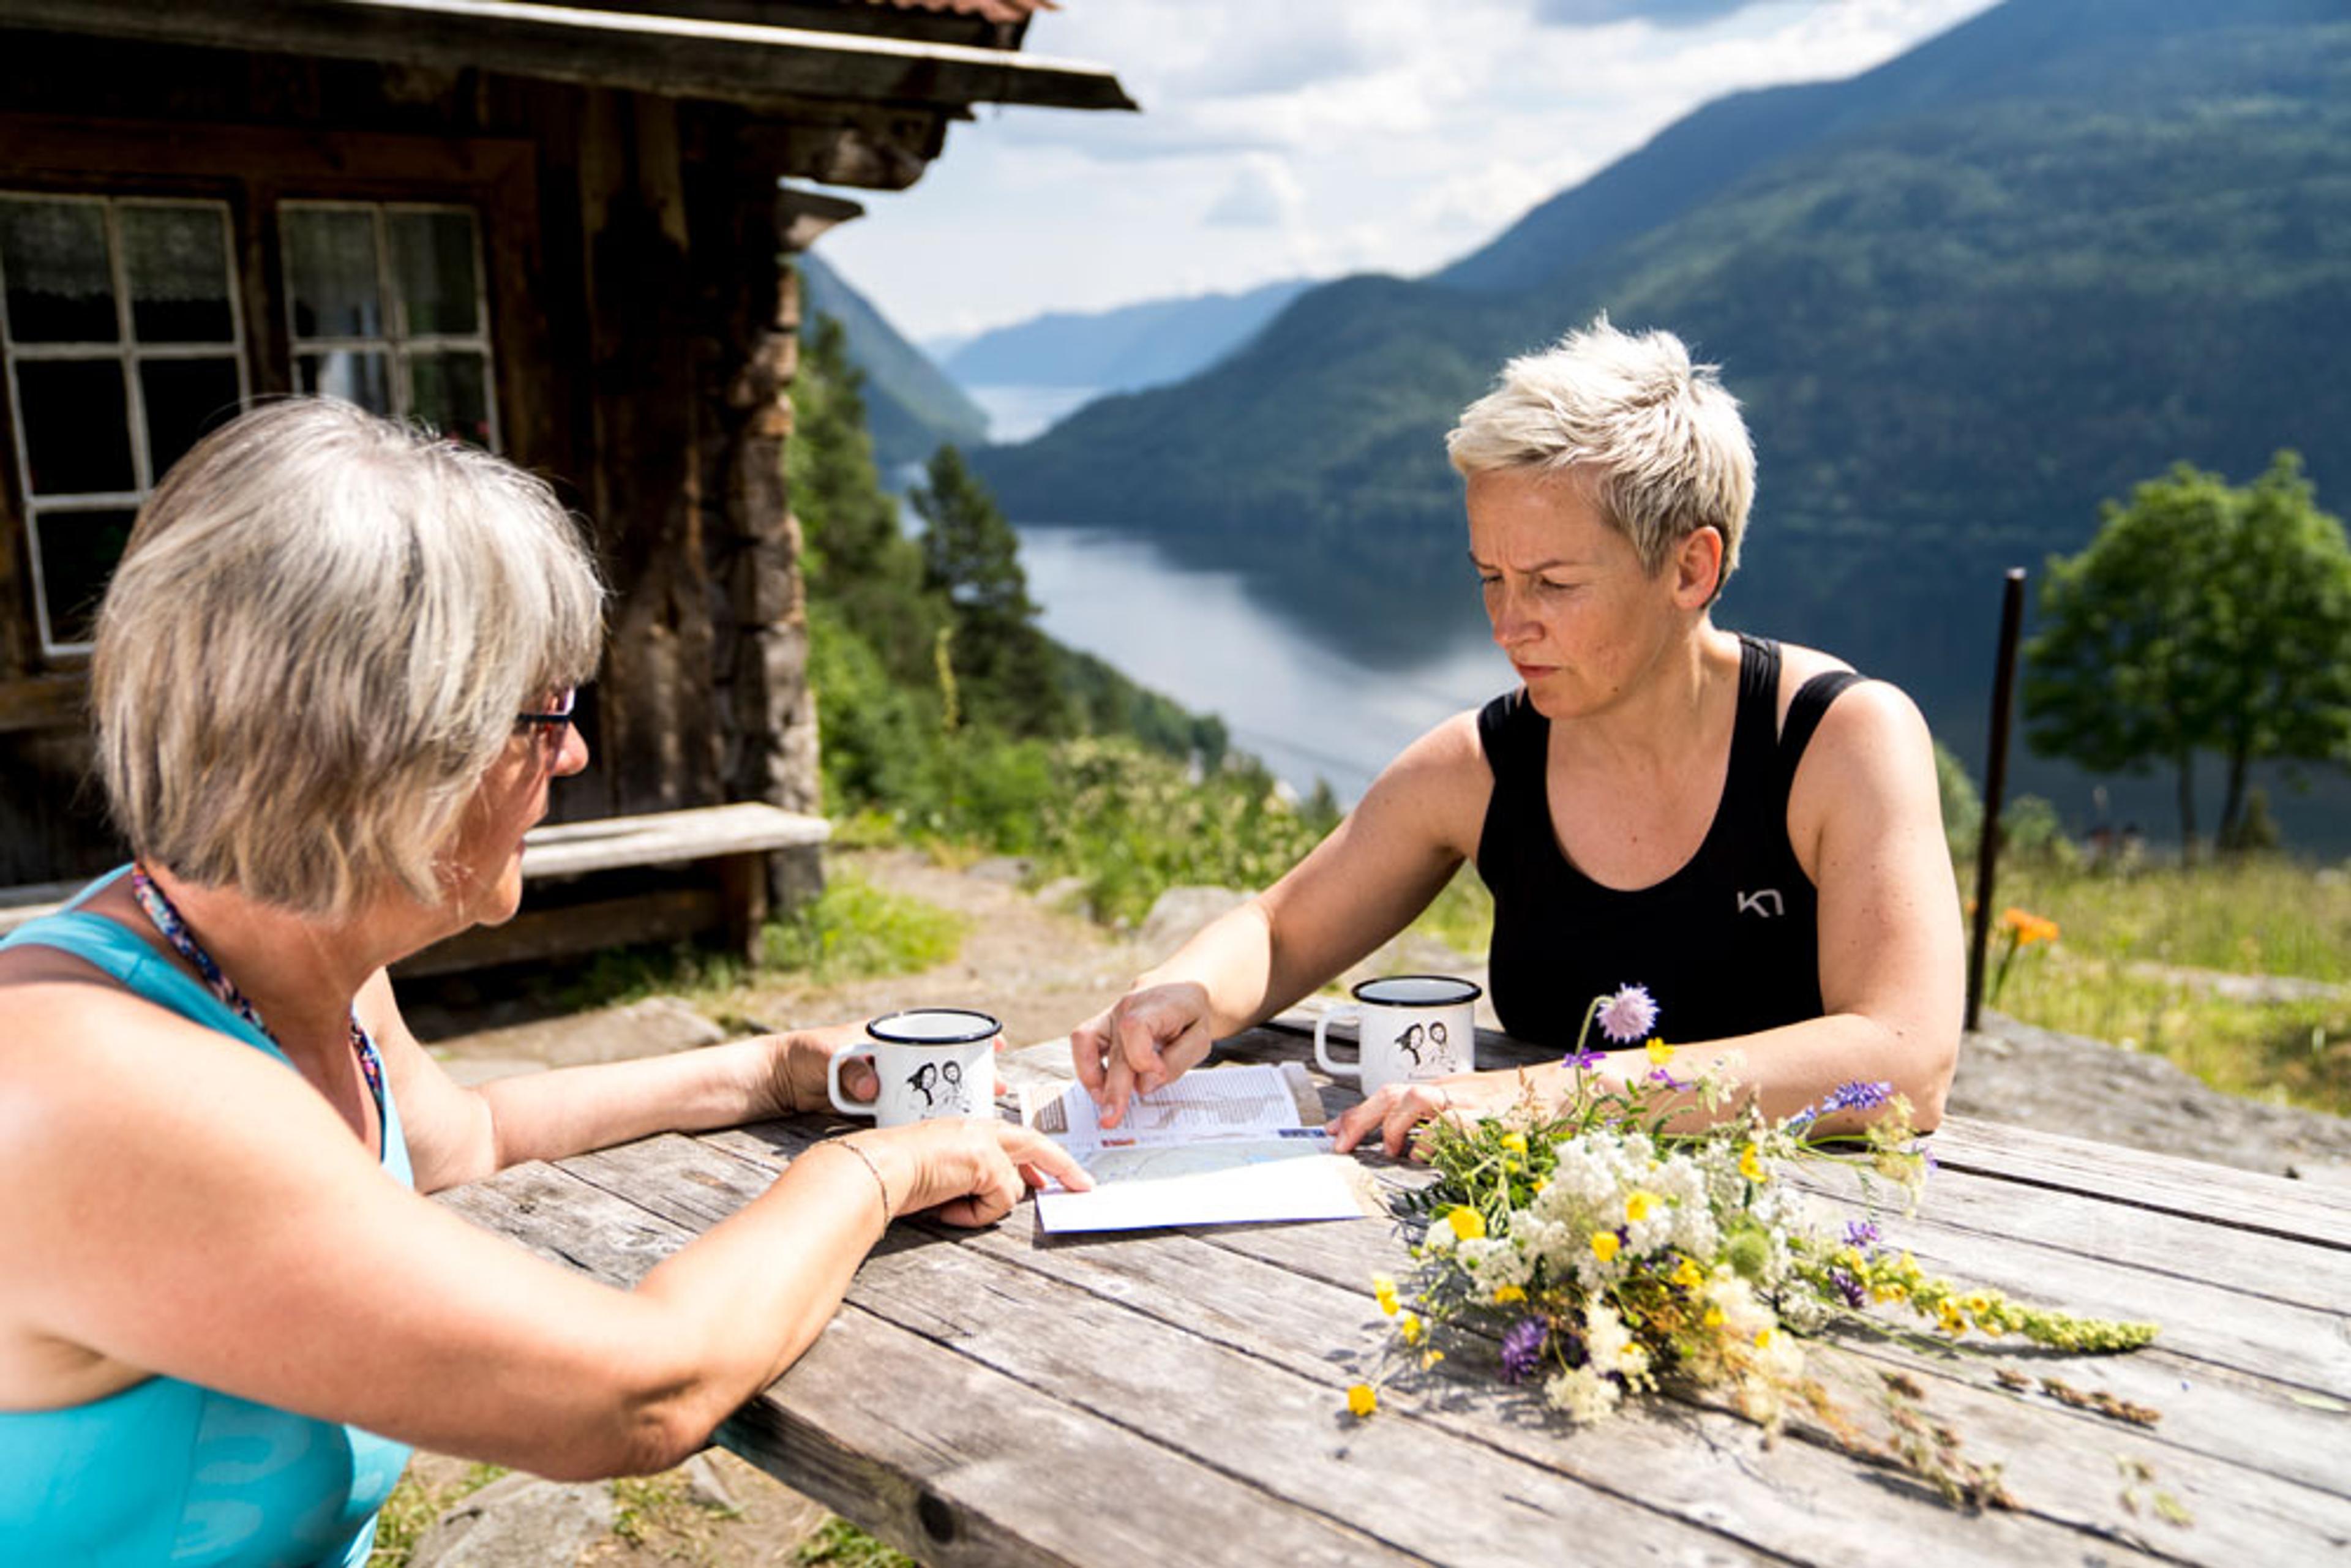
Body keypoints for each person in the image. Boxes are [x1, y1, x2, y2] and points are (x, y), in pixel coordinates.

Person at [0, 399, 1086, 1566]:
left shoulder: (270, 958)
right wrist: (878, 1165)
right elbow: (636, 1392)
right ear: (399, 745)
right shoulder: (110, 1086)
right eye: (547, 708)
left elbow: (457, 1140)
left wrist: (772, 1067)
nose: (571, 752)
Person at [1071, 318, 1962, 1154]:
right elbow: (1281, 929)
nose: (1507, 625)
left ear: (1692, 566)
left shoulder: (1837, 740)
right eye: (1490, 576)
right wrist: (1187, 991)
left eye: (1552, 583)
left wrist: (1541, 1097)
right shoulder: (1482, 765)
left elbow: (1905, 1060)